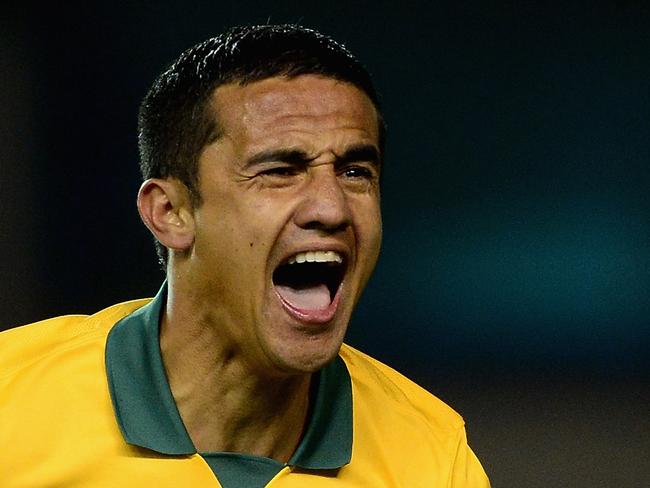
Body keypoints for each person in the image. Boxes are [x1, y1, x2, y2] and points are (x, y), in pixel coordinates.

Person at [0, 24, 490, 487]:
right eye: (280, 170)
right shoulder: (11, 403)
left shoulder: (431, 459)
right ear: (170, 211)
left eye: (355, 172)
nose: (331, 207)